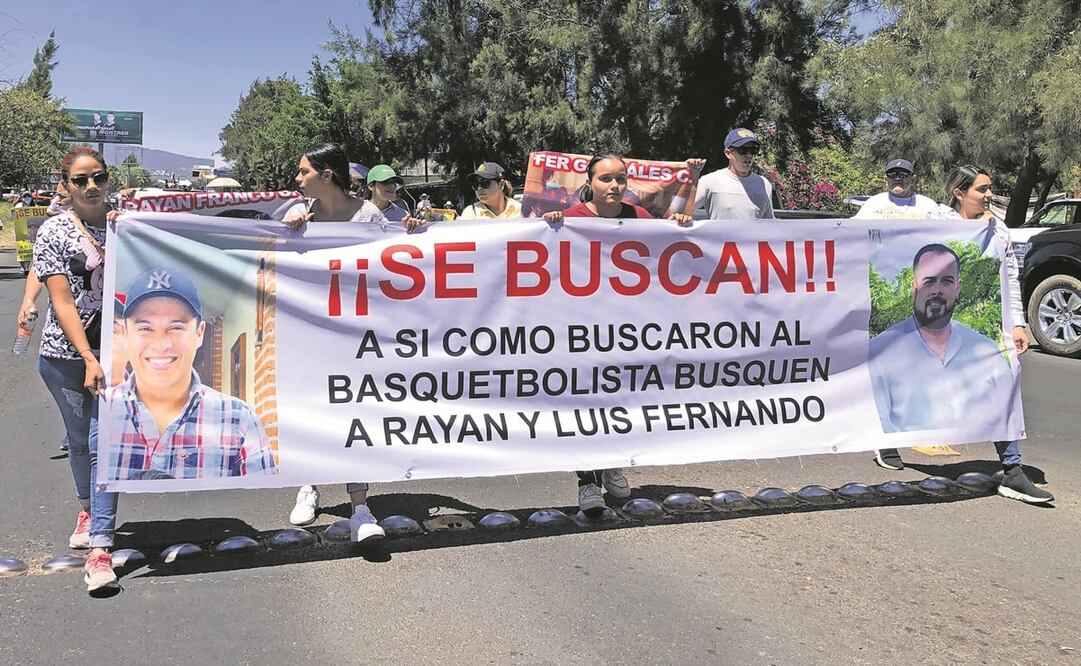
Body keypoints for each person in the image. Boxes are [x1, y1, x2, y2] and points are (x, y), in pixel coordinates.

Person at [869, 165, 1053, 504]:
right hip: (927, 325)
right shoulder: (935, 221)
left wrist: (1017, 323)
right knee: (914, 386)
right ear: (959, 193)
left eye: (989, 189)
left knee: (1005, 382)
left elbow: (1008, 276)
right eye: (981, 190)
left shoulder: (995, 229)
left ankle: (1012, 469)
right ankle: (886, 439)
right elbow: (894, 245)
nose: (988, 196)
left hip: (979, 326)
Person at [543, 153, 694, 516]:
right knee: (584, 401)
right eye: (606, 179)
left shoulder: (639, 218)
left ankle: (611, 462)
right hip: (580, 329)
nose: (615, 186)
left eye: (621, 179)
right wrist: (547, 227)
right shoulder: (571, 220)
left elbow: (666, 244)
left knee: (617, 398)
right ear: (589, 182)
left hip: (625, 328)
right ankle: (587, 482)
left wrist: (678, 223)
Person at [283, 143, 388, 542]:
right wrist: (291, 223)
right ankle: (309, 484)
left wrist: (410, 230)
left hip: (358, 330)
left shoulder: (369, 216)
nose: (298, 179)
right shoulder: (301, 214)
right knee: (313, 407)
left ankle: (359, 504)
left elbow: (395, 256)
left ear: (327, 176)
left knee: (354, 411)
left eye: (304, 172)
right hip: (312, 329)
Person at [31, 146, 119, 592]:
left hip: (119, 355)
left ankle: (101, 548)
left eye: (98, 177)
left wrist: (290, 213)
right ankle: (87, 507)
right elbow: (61, 300)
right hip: (65, 356)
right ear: (65, 186)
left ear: (108, 179)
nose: (91, 187)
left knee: (107, 444)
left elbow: (191, 220)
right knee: (81, 442)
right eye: (80, 180)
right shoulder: (53, 231)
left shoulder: (128, 222)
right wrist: (87, 356)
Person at [100, 266, 277, 480]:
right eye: (145, 328)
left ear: (199, 333)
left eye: (176, 327)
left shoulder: (239, 419)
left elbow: (259, 496)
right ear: (127, 333)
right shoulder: (102, 410)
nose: (161, 344)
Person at [694, 128, 775, 220]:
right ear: (728, 153)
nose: (749, 155)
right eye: (742, 150)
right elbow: (683, 212)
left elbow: (769, 223)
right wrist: (690, 175)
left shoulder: (764, 184)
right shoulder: (710, 181)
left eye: (753, 150)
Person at [854, 159, 940, 219]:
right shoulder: (873, 203)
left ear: (913, 179)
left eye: (903, 174)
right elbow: (855, 228)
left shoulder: (928, 205)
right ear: (886, 179)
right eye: (892, 174)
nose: (897, 179)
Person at [365, 164, 424, 229]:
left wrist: (415, 227)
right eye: (385, 182)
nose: (392, 186)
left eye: (394, 182)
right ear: (371, 186)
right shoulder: (357, 212)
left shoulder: (403, 214)